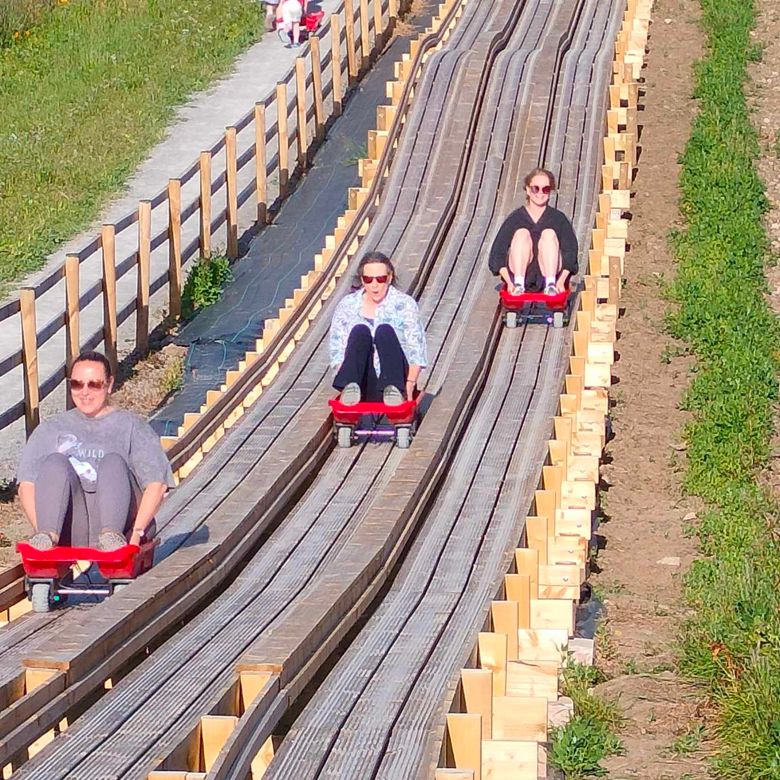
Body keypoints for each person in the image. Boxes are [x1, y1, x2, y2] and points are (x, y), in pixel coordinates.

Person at [16, 351, 175, 552]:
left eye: (94, 384)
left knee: (113, 464)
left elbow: (156, 485)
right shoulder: (51, 428)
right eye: (77, 384)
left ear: (109, 385)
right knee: (55, 462)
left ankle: (111, 536)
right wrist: (41, 529)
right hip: (73, 524)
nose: (84, 392)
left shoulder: (131, 426)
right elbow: (26, 485)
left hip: (123, 525)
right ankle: (49, 535)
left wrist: (136, 535)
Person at [329, 251, 427, 406]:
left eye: (380, 279)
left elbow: (416, 348)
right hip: (364, 377)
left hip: (395, 377)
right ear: (362, 280)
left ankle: (394, 391)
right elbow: (338, 349)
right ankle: (351, 389)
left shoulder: (405, 304)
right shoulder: (347, 305)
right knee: (360, 331)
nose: (374, 285)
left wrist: (409, 385)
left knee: (384, 331)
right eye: (368, 280)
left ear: (389, 278)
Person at [488, 167, 578, 296]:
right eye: (536, 188)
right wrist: (509, 282)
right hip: (522, 271)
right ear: (528, 190)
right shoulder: (516, 218)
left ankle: (550, 284)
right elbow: (497, 253)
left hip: (549, 270)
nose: (540, 193)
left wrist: (562, 280)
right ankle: (519, 284)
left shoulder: (558, 218)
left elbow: (571, 252)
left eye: (546, 189)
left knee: (549, 234)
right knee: (521, 234)